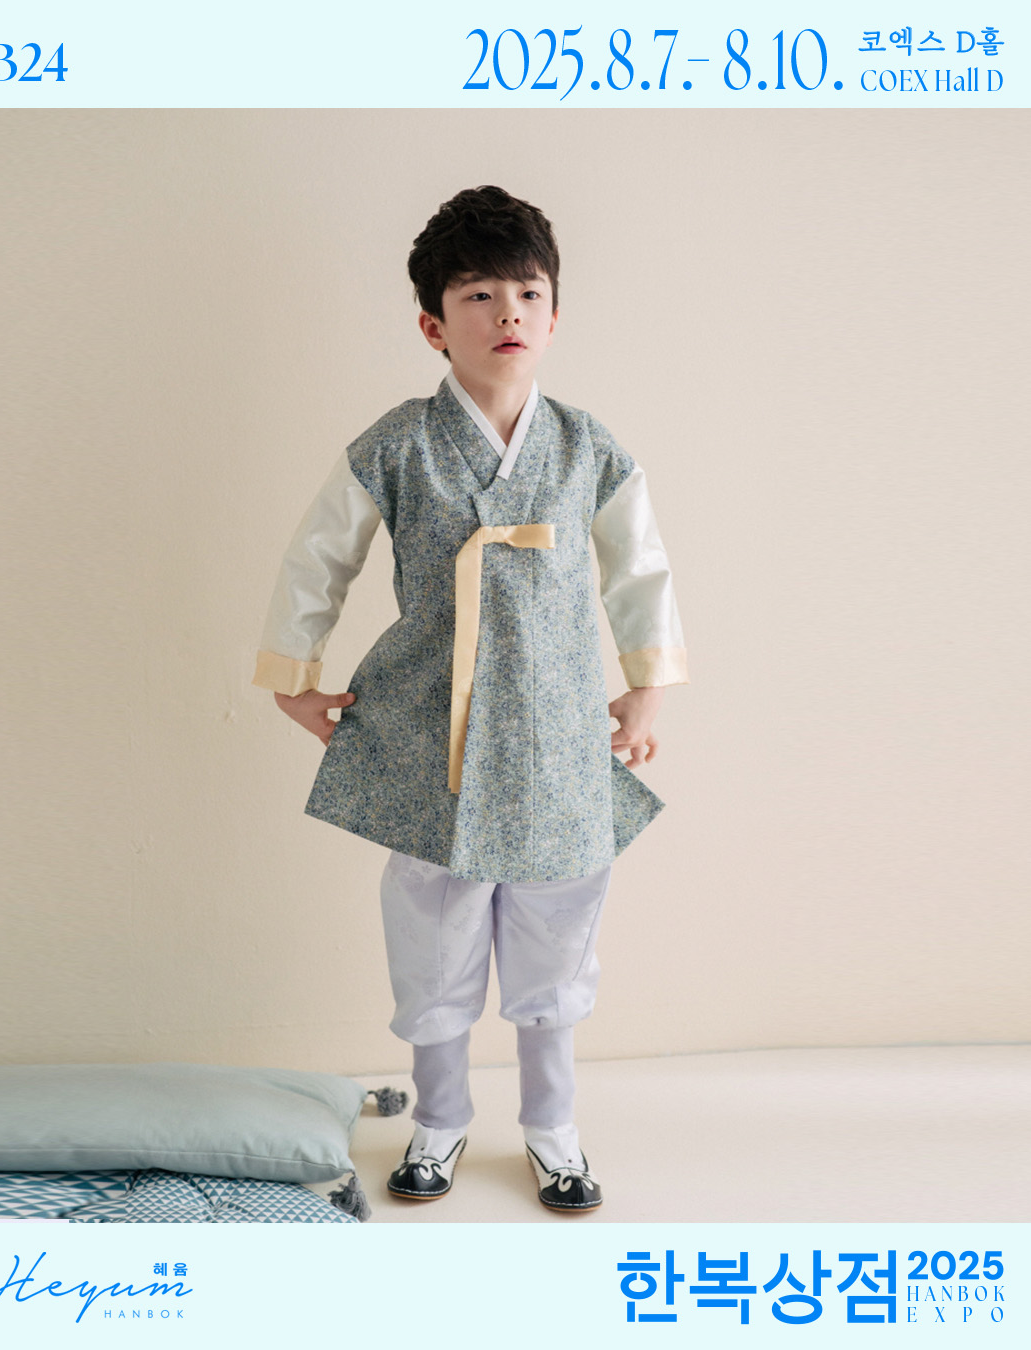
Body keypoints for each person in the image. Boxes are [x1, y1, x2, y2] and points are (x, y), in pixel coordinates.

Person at [252, 186, 687, 1212]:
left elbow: (641, 569)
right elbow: (318, 558)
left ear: (554, 314)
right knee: (433, 934)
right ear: (433, 324)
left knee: (557, 935)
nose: (507, 315)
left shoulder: (587, 447)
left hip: (555, 735)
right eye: (479, 295)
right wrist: (293, 680)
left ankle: (553, 1130)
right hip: (426, 731)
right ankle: (439, 1122)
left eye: (527, 294)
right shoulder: (398, 445)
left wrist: (645, 691)